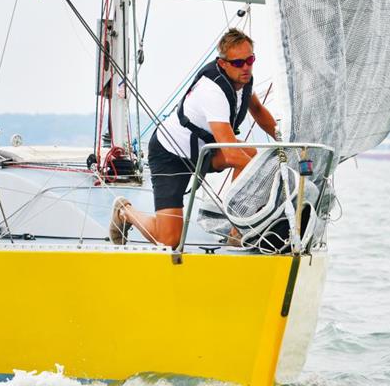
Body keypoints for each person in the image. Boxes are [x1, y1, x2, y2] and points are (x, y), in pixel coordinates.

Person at [110, 28, 277, 248]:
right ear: (224, 63)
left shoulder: (243, 80)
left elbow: (257, 110)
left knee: (252, 155)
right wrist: (269, 178)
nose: (246, 67)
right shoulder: (213, 92)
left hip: (203, 150)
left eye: (250, 60)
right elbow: (231, 153)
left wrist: (285, 138)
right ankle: (124, 212)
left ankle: (236, 231)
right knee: (168, 240)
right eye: (239, 63)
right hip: (170, 154)